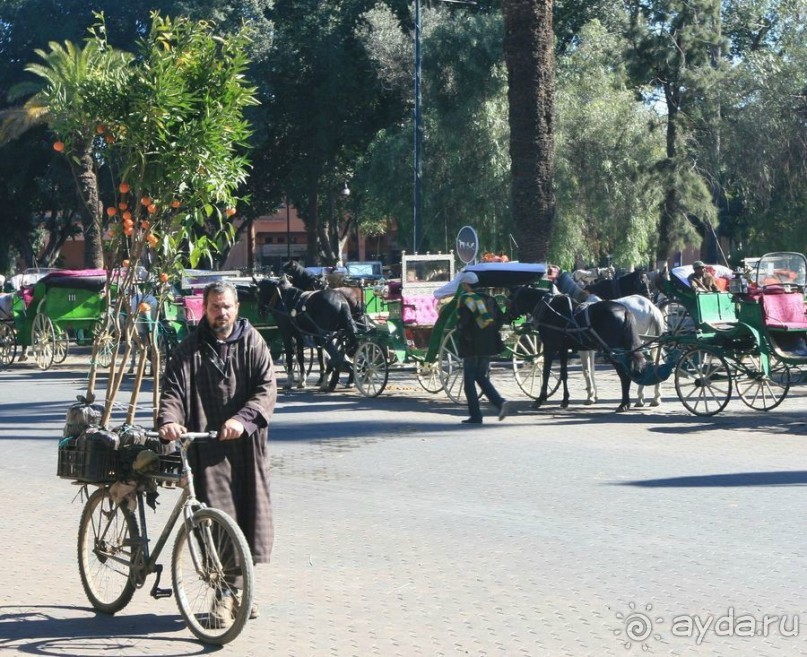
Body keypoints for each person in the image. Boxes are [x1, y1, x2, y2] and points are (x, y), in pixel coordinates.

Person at [158, 280, 276, 628]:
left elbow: (267, 388)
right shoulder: (189, 349)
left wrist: (242, 420)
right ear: (204, 309)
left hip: (246, 446)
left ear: (236, 308)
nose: (220, 313)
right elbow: (173, 393)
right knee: (216, 521)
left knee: (250, 519)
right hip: (207, 450)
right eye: (214, 307)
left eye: (226, 307)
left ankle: (238, 591)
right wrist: (169, 422)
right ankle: (227, 595)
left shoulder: (253, 342)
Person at [455, 271, 511, 424]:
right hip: (488, 345)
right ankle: (499, 402)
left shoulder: (466, 299)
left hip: (472, 346)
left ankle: (476, 415)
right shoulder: (490, 299)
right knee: (480, 376)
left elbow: (463, 323)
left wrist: (460, 332)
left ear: (466, 284)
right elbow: (500, 319)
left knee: (469, 383)